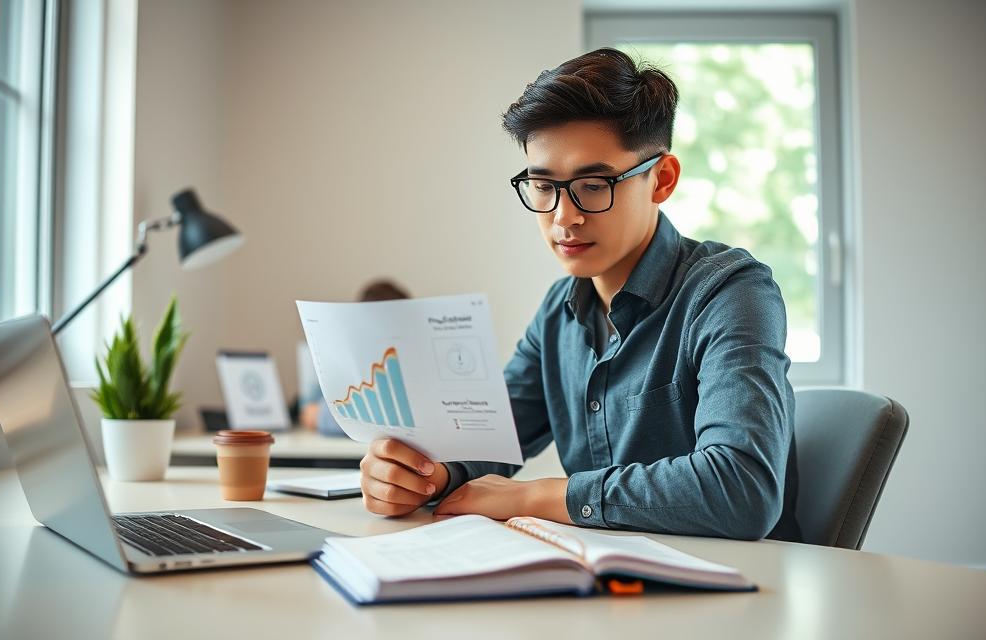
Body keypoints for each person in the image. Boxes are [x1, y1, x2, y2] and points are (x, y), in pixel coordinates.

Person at [359, 48, 800, 541]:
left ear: (663, 179)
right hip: (603, 591)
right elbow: (487, 436)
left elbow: (742, 491)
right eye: (543, 186)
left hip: (738, 592)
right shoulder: (559, 312)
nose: (563, 217)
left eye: (593, 185)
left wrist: (536, 496)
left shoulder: (731, 293)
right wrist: (421, 475)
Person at [298, 279, 410, 436]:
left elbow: (313, 415)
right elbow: (308, 414)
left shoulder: (405, 366)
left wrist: (320, 416)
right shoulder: (346, 360)